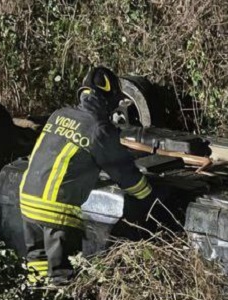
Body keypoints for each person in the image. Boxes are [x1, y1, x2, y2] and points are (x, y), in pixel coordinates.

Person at [19, 66, 154, 284]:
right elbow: (121, 169)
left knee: (38, 264)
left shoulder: (58, 115)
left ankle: (37, 299)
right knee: (63, 275)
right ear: (108, 99)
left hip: (28, 199)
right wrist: (147, 193)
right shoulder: (99, 128)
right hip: (56, 209)